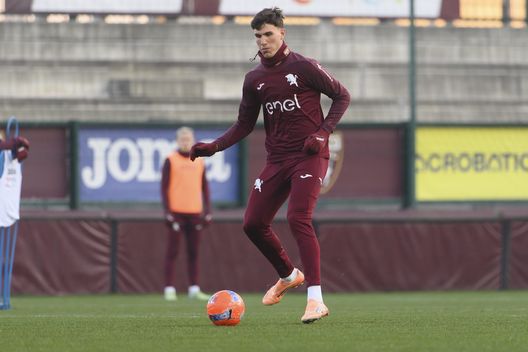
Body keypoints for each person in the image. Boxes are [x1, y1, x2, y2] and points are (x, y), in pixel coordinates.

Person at [190, 7, 350, 323]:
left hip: (309, 156)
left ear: (282, 33)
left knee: (298, 217)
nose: (263, 41)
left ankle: (316, 299)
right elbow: (244, 124)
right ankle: (289, 275)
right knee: (252, 223)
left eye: (268, 34)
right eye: (258, 36)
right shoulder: (255, 79)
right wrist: (214, 147)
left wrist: (322, 132)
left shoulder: (304, 67)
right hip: (277, 160)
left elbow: (341, 96)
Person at [161, 127, 211, 301]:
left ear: (193, 140)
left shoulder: (199, 161)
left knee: (194, 252)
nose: (185, 142)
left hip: (195, 211)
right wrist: (167, 212)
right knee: (172, 251)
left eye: (188, 139)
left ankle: (194, 288)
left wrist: (208, 211)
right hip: (176, 212)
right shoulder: (170, 159)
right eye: (182, 139)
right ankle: (169, 288)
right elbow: (164, 187)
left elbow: (205, 187)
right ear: (177, 141)